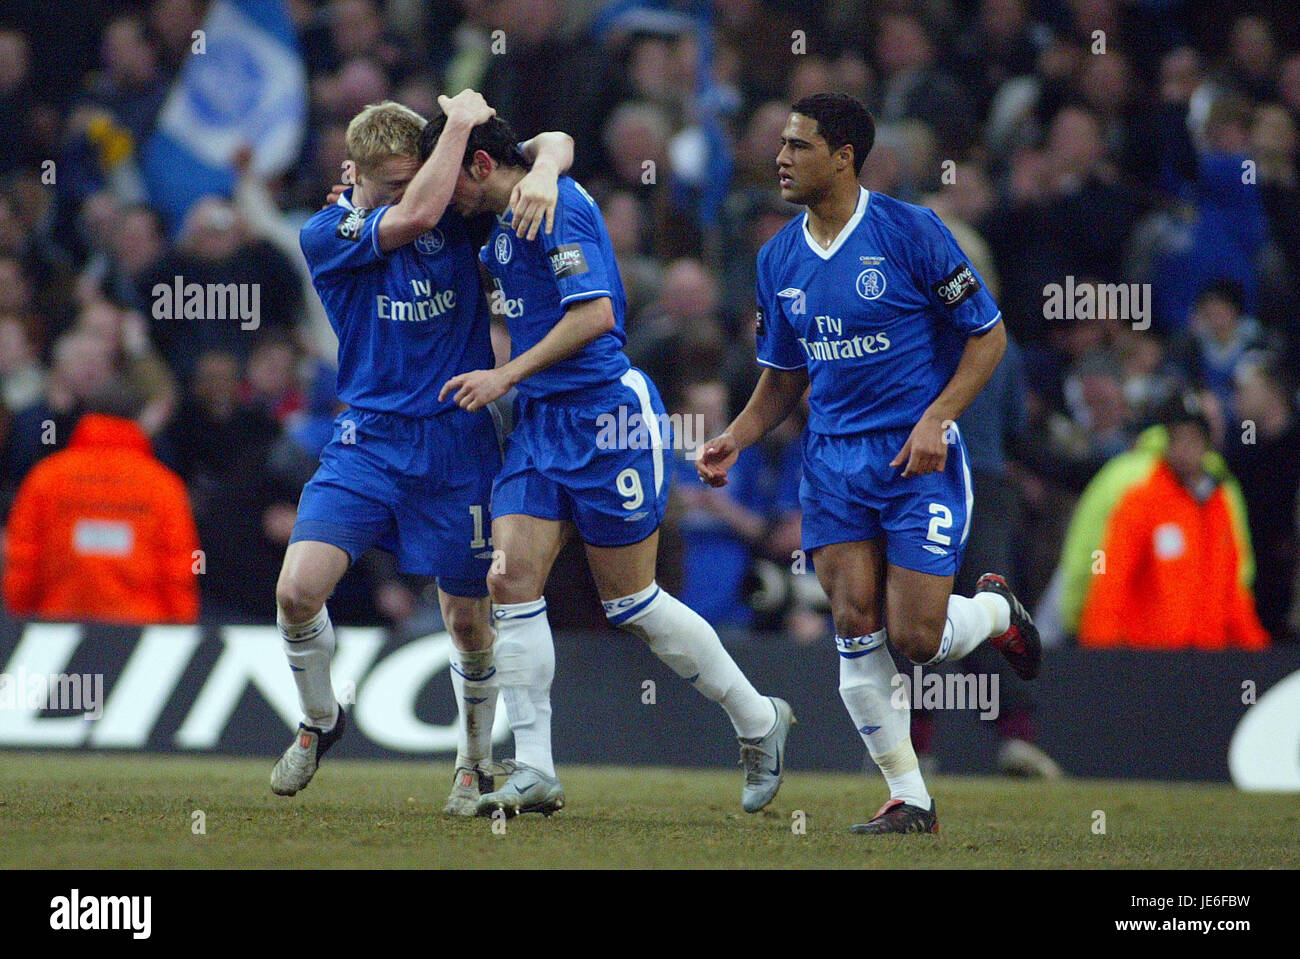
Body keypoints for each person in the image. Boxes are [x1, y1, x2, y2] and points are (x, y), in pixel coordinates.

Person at [422, 110, 795, 818]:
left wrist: (507, 374)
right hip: (540, 424)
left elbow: (595, 314)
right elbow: (551, 137)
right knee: (509, 576)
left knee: (634, 603)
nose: (445, 196)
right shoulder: (520, 189)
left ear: (478, 168)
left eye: (452, 177)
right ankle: (534, 767)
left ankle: (758, 718)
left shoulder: (554, 202)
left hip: (609, 420)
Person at [697, 93, 1040, 835]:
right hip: (833, 464)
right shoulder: (778, 256)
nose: (781, 158)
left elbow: (987, 336)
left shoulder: (912, 231)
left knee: (914, 636)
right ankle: (909, 796)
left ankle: (994, 611)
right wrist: (737, 436)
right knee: (854, 620)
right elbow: (785, 376)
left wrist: (936, 418)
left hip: (915, 458)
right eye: (781, 144)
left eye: (799, 145)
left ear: (844, 156)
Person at [270, 92, 575, 817]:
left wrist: (546, 170)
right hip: (368, 439)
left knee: (469, 621)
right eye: (395, 185)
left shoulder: (459, 218)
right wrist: (461, 120)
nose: (420, 198)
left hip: (457, 441)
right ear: (355, 175)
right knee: (295, 591)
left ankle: (473, 761)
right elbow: (407, 217)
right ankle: (320, 718)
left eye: (423, 179)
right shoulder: (328, 229)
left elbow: (554, 134)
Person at [1074, 392, 1270, 650]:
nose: (1184, 450)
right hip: (1151, 657)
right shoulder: (1142, 500)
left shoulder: (1218, 503)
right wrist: (1098, 654)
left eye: (1192, 440)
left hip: (1208, 657)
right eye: (1177, 440)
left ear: (1206, 445)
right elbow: (1111, 581)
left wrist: (1257, 649)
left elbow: (1231, 589)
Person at [3, 386, 199, 624]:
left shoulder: (47, 477)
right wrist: (181, 625)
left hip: (56, 628)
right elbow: (178, 569)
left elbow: (23, 559)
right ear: (139, 419)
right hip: (142, 633)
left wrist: (21, 615)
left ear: (87, 416)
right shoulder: (163, 485)